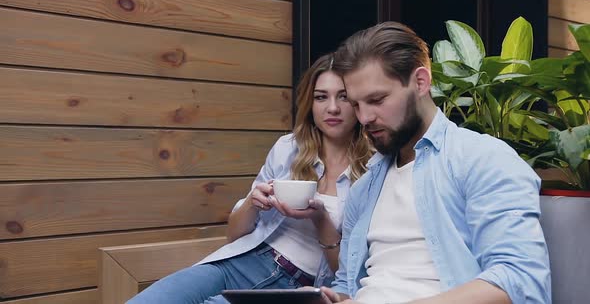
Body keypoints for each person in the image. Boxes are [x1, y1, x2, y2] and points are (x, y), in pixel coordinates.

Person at [317, 22, 551, 304]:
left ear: (420, 82)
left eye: (376, 100)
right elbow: (347, 284)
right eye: (356, 105)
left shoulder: (482, 158)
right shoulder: (363, 189)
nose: (364, 117)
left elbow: (520, 280)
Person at [127, 54, 372, 304]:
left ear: (357, 102)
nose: (332, 108)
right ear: (310, 104)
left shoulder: (372, 169)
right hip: (241, 262)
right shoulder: (288, 148)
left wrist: (321, 220)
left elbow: (348, 275)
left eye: (342, 96)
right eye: (321, 97)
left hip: (297, 287)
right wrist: (252, 204)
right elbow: (234, 235)